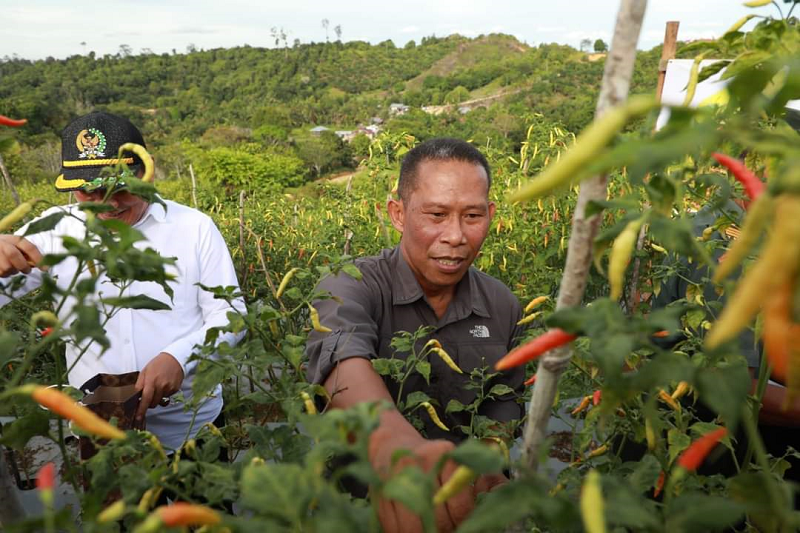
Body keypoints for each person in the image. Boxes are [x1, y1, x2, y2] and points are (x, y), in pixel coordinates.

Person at [305, 138, 526, 532]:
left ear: (491, 214)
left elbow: (505, 401)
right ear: (398, 213)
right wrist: (395, 449)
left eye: (472, 216)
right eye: (436, 214)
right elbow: (341, 361)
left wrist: (485, 465)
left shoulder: (502, 304)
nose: (455, 236)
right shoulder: (353, 285)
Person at [0, 111, 244, 452]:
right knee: (114, 505)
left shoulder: (194, 227)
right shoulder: (54, 230)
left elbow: (230, 315)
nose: (106, 203)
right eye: (88, 191)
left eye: (119, 187)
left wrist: (179, 357)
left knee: (201, 503)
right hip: (99, 427)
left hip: (190, 424)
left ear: (146, 172)